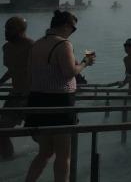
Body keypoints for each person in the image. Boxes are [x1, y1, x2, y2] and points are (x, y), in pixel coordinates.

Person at [24, 10, 95, 182]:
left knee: (45, 152)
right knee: (63, 155)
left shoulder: (37, 44)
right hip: (59, 103)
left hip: (37, 101)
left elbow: (30, 74)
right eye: (73, 28)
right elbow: (69, 72)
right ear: (65, 26)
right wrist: (86, 63)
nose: (73, 32)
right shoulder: (63, 44)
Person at [1, 16, 34, 159]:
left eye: (10, 29)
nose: (6, 32)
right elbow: (13, 69)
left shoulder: (33, 47)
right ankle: (7, 159)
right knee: (1, 130)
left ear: (21, 30)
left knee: (39, 134)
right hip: (15, 94)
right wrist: (1, 81)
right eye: (5, 28)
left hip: (32, 95)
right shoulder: (6, 48)